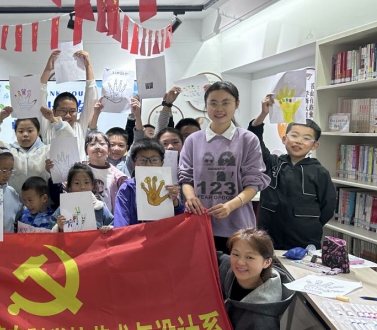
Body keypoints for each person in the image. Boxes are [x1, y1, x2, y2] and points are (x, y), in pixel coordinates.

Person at [179, 81, 270, 252]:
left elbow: (253, 184)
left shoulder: (248, 139)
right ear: (206, 105)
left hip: (237, 227)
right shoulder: (193, 140)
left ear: (237, 103)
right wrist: (190, 197)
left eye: (226, 103)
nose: (219, 108)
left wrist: (230, 206)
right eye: (213, 103)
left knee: (236, 268)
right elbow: (186, 178)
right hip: (199, 223)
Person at [249, 94, 336, 249]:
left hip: (304, 239)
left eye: (306, 138)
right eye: (294, 135)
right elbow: (254, 140)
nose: (298, 141)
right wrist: (263, 114)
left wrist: (308, 222)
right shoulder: (273, 163)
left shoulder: (319, 172)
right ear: (284, 139)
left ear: (314, 145)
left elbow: (327, 207)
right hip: (269, 236)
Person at [0, 106, 75, 193]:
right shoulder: (6, 151)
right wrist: (0, 119)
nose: (25, 134)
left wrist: (53, 120)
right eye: (21, 131)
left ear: (38, 132)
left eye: (30, 130)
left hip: (43, 205)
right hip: (13, 204)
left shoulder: (47, 151)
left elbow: (68, 142)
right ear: (15, 133)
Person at [39, 49, 97, 161]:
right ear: (54, 111)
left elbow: (91, 97)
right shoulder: (47, 127)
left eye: (72, 111)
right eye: (63, 111)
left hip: (78, 172)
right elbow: (40, 95)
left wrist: (88, 66)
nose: (68, 115)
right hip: (51, 172)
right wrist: (48, 69)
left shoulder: (80, 127)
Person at [114, 139, 185, 227]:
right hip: (137, 234)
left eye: (154, 160)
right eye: (142, 160)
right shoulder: (127, 189)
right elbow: (121, 223)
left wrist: (175, 202)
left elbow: (181, 221)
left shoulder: (168, 187)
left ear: (162, 163)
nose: (148, 164)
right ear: (134, 164)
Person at [53, 163, 114, 233]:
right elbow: (50, 230)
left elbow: (114, 224)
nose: (82, 187)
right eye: (77, 183)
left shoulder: (99, 207)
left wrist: (108, 228)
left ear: (92, 185)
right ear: (69, 187)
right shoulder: (63, 208)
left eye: (86, 182)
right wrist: (59, 228)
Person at [81, 131, 128, 215]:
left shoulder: (118, 176)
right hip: (84, 217)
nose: (97, 147)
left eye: (102, 144)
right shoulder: (79, 170)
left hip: (108, 220)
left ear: (109, 149)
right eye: (92, 144)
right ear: (86, 150)